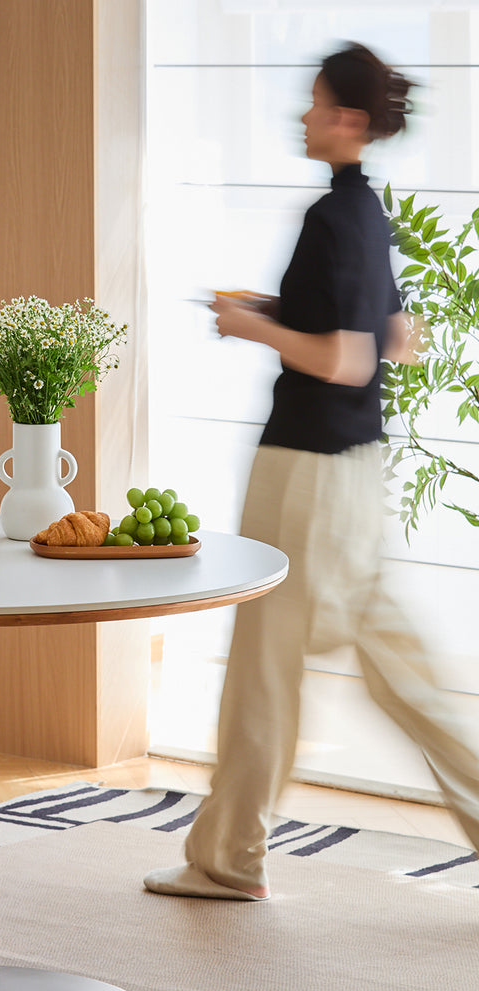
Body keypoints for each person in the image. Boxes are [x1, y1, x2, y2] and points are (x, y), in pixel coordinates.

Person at [144, 42, 479, 901]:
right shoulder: (367, 215)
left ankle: (228, 859)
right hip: (356, 475)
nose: (301, 114)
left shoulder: (333, 220)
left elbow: (348, 358)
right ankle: (228, 853)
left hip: (304, 472)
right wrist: (271, 309)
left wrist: (256, 330)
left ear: (350, 121)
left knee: (265, 665)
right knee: (400, 673)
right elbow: (398, 338)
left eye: (314, 101)